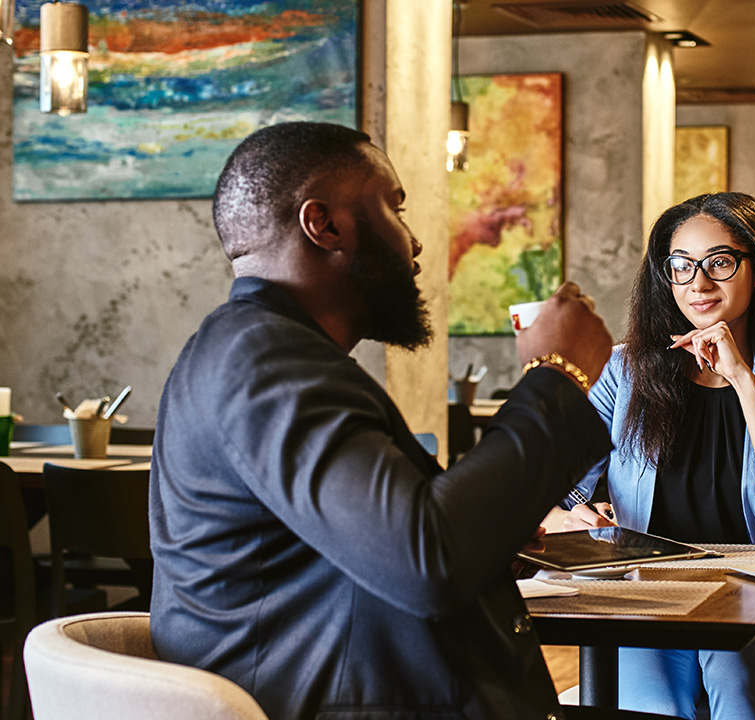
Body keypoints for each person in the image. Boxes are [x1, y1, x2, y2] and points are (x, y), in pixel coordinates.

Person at [149, 121, 615, 720]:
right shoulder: (263, 361)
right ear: (326, 225)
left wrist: (490, 535)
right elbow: (428, 562)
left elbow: (382, 549)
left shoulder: (263, 351)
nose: (415, 243)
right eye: (396, 208)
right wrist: (556, 374)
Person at [544, 192, 755, 720]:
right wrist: (565, 513)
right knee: (654, 709)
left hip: (753, 597)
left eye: (720, 263)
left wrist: (743, 380)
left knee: (735, 683)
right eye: (681, 266)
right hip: (648, 597)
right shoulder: (627, 370)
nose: (698, 283)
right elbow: (559, 481)